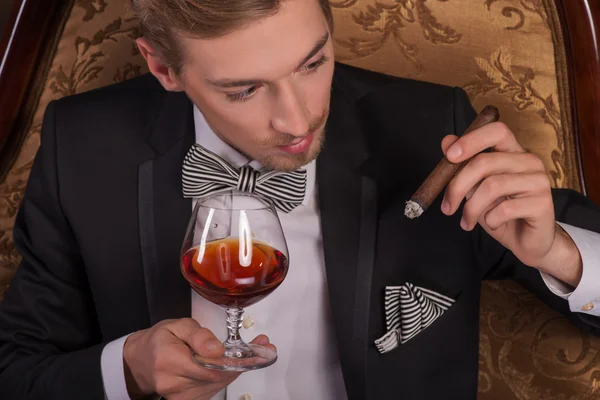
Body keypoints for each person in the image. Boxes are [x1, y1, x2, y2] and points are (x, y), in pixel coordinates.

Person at [0, 0, 599, 399]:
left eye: (313, 62)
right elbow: (16, 368)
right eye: (244, 89)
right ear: (162, 67)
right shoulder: (82, 145)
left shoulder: (430, 130)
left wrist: (558, 253)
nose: (298, 119)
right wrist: (126, 369)